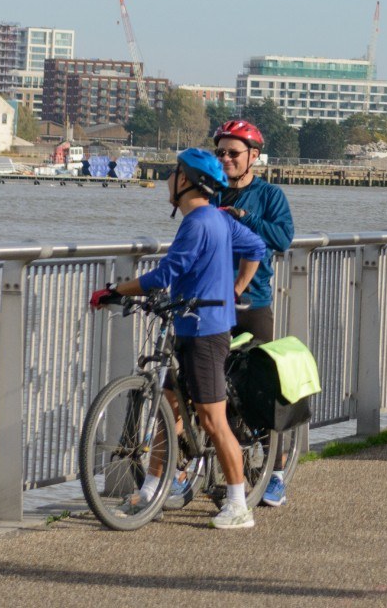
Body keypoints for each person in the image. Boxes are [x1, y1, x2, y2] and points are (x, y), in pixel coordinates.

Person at [106, 147, 266, 530]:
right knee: (169, 407)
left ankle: (238, 505)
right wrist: (237, 287)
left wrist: (115, 291)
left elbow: (164, 274)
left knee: (213, 420)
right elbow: (257, 247)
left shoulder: (197, 223)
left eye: (173, 173)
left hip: (206, 332)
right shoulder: (218, 219)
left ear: (186, 181)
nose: (167, 180)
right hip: (190, 322)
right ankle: (151, 489)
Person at [211, 118, 297, 507]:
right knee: (205, 388)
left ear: (253, 157)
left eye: (234, 153)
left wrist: (246, 218)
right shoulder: (208, 192)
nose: (226, 159)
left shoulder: (268, 194)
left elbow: (283, 238)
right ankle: (186, 471)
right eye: (221, 152)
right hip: (211, 303)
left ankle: (275, 472)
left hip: (253, 303)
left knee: (260, 390)